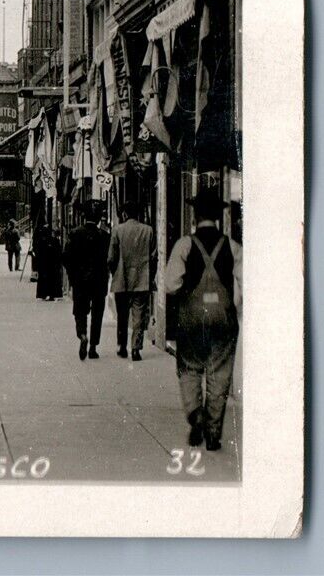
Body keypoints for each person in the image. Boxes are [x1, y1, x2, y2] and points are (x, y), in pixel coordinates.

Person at [166, 188, 241, 451]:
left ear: (195, 215)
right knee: (219, 375)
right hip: (223, 320)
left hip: (191, 319)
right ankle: (212, 432)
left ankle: (195, 414)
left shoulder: (184, 245)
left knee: (189, 369)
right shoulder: (233, 247)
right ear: (219, 217)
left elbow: (171, 284)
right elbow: (245, 285)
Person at [108, 199, 157, 361]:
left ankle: (122, 346)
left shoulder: (117, 230)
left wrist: (115, 272)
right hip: (142, 279)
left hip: (121, 280)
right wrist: (150, 276)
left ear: (124, 214)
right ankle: (136, 348)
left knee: (122, 316)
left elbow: (111, 258)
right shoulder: (148, 231)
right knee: (139, 314)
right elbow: (153, 257)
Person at [63, 203, 110, 359]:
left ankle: (82, 334)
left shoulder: (75, 234)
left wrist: (72, 275)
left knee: (80, 311)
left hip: (80, 281)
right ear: (98, 220)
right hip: (99, 281)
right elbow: (109, 260)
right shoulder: (104, 236)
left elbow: (66, 257)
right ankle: (93, 347)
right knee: (97, 314)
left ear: (84, 218)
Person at [33, 222, 63, 301]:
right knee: (52, 279)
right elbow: (58, 252)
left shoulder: (41, 241)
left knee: (44, 278)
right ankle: (52, 294)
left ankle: (43, 294)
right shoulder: (54, 241)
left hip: (44, 263)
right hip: (52, 264)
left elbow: (38, 252)